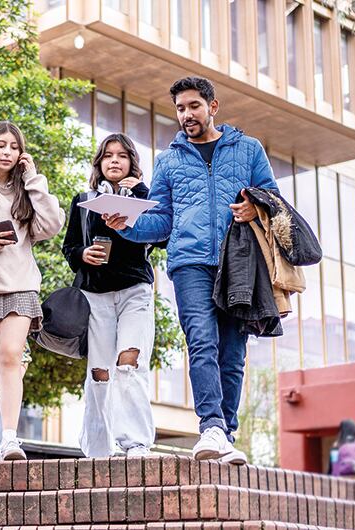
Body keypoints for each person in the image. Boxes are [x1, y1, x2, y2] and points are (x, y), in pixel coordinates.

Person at [104, 76, 279, 464]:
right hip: (189, 263)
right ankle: (212, 426)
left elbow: (273, 199)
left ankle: (226, 435)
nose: (186, 115)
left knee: (233, 353)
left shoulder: (248, 150)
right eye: (180, 108)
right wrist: (128, 226)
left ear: (212, 107)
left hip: (239, 263)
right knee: (202, 340)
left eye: (193, 106)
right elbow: (162, 222)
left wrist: (255, 208)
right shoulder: (168, 161)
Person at [0, 121, 64, 461]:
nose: (7, 152)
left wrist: (34, 178)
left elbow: (52, 225)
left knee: (9, 356)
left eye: (13, 146)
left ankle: (11, 438)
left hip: (20, 284)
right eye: (0, 145)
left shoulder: (26, 189)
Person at [62, 133, 158, 458]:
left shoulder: (144, 196)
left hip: (135, 290)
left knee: (129, 363)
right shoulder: (83, 199)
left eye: (121, 155)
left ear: (132, 161)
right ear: (99, 163)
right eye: (108, 156)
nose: (114, 161)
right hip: (95, 294)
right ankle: (99, 448)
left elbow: (160, 237)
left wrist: (139, 191)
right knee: (100, 373)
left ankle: (136, 443)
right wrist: (82, 254)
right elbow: (69, 245)